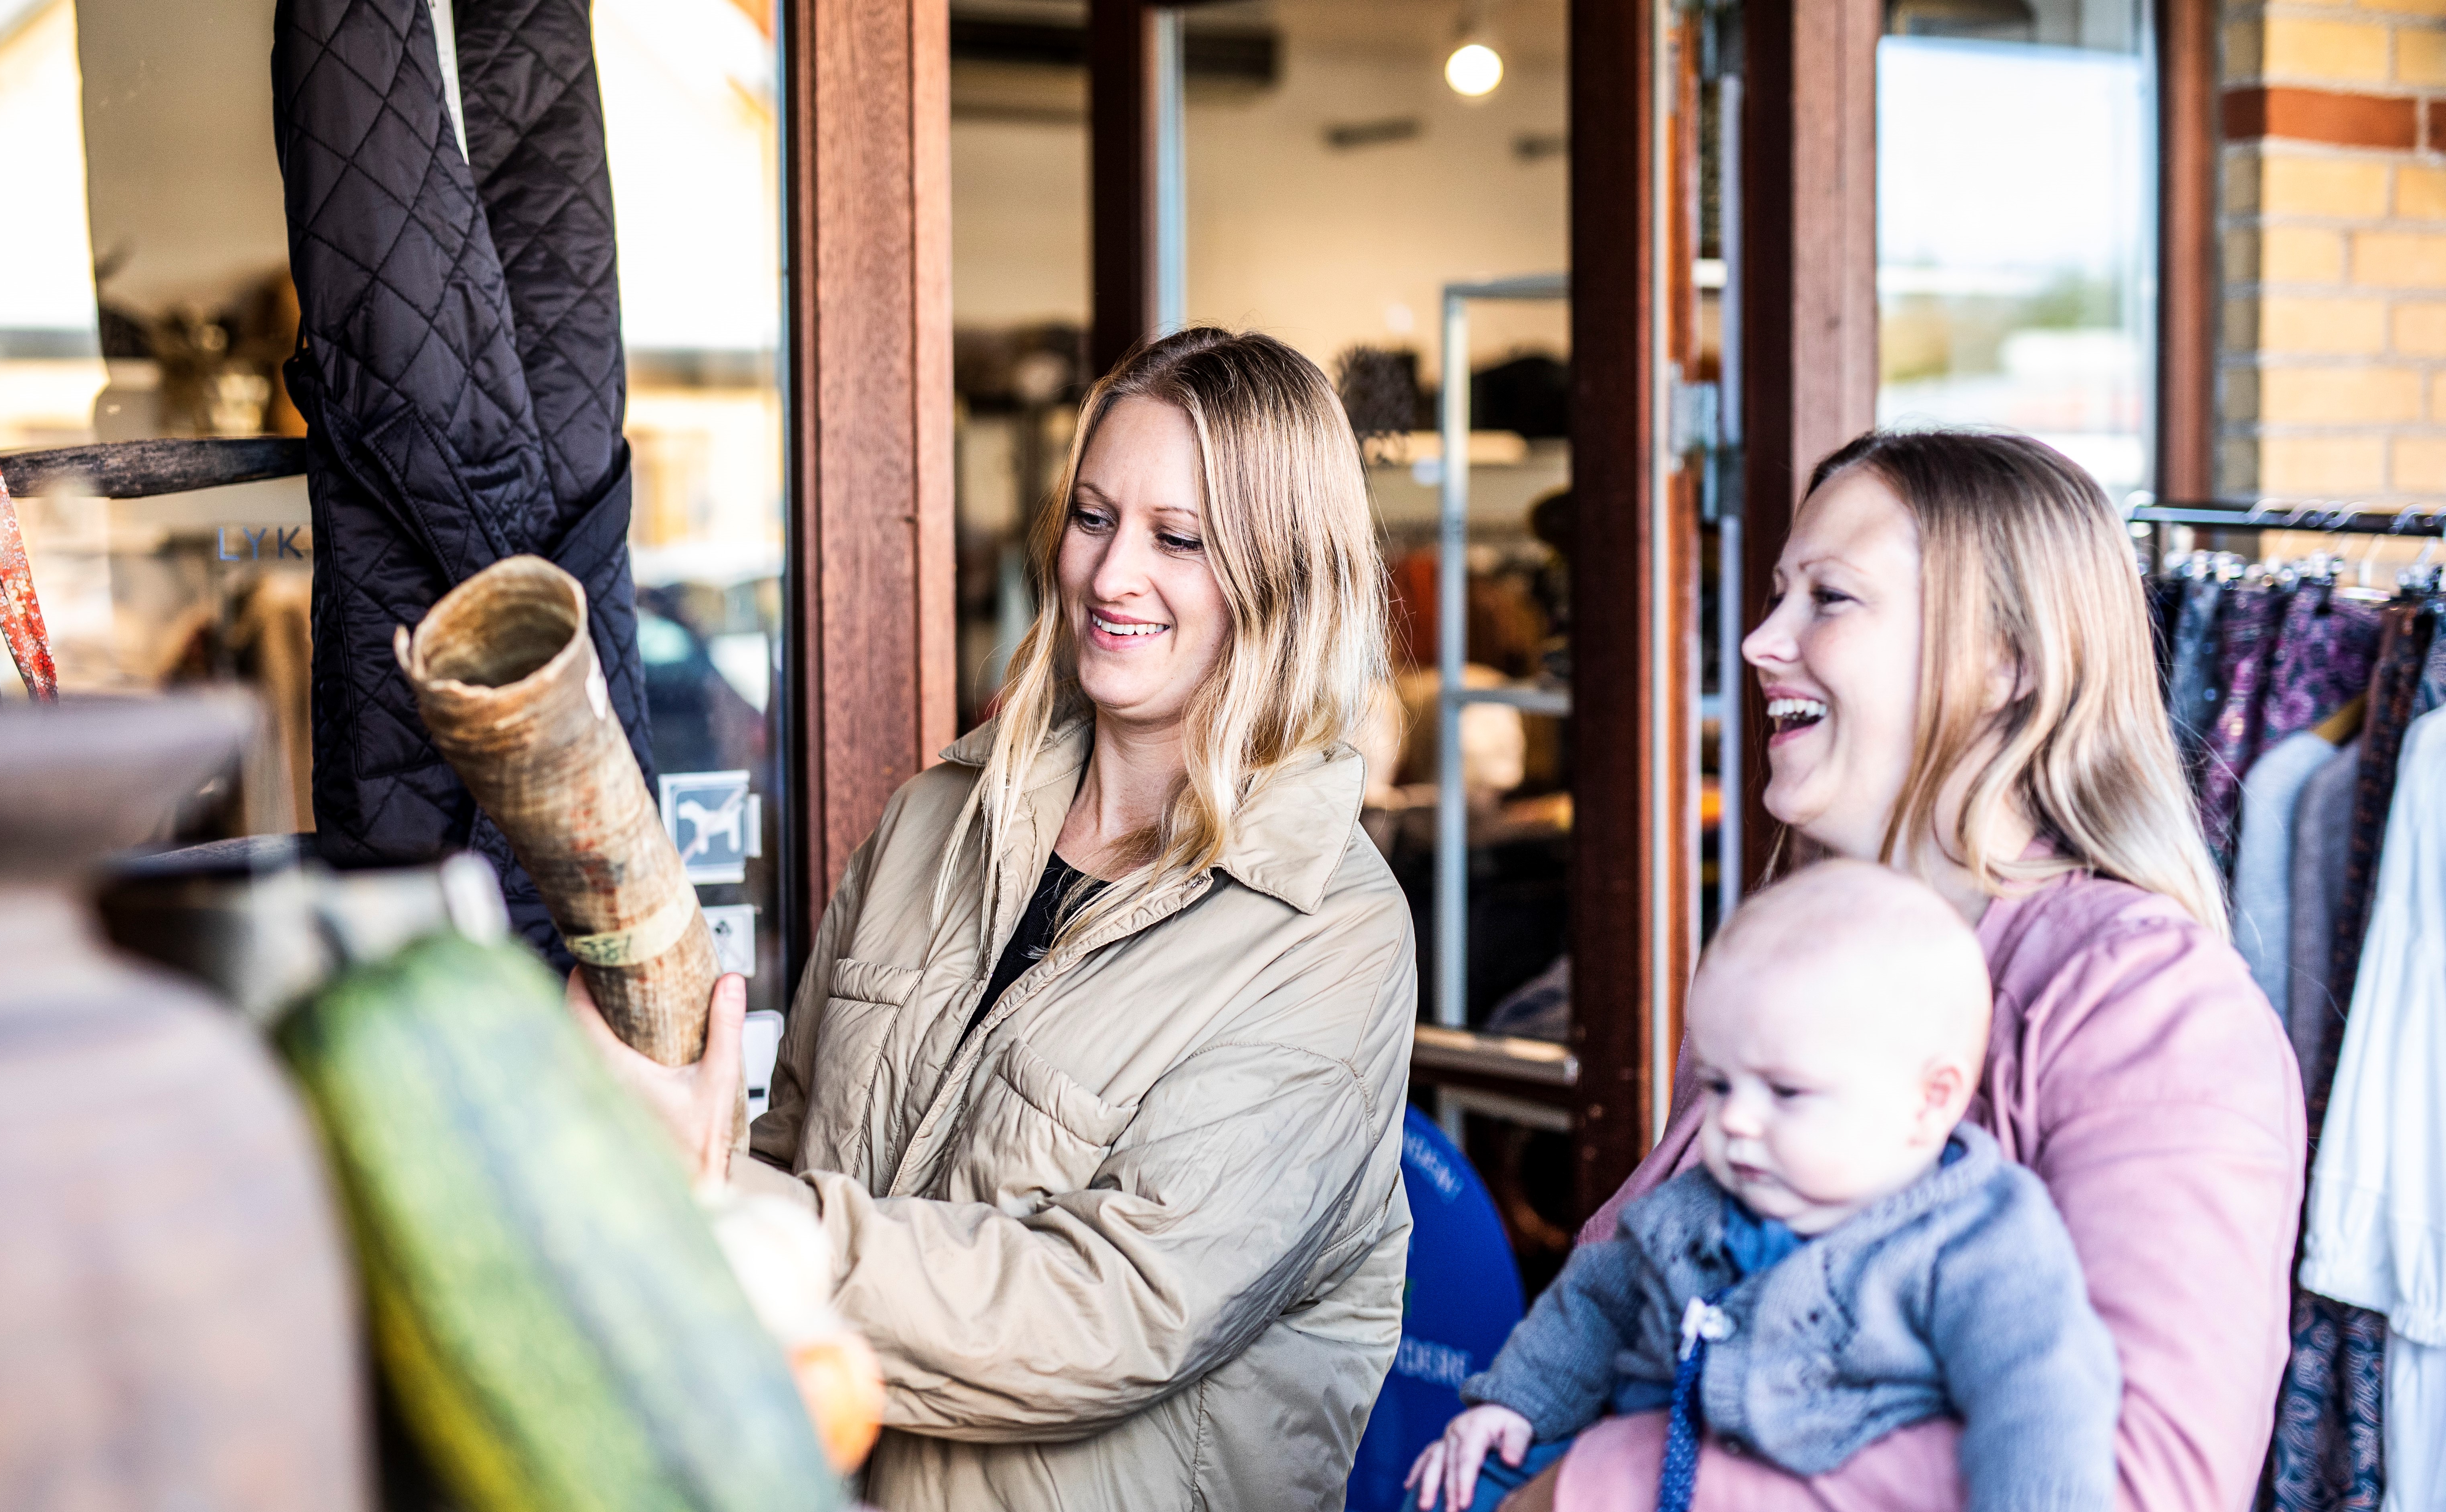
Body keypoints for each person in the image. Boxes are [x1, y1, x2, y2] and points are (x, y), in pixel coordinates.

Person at [574, 326, 1419, 1512]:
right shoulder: (934, 816)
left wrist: (718, 1200)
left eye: (1178, 539)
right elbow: (798, 1142)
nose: (1112, 575)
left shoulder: (1330, 934)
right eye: (1093, 518)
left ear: (1284, 576)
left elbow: (1110, 1311)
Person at [1505, 430, 2304, 1512]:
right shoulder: (1805, 962)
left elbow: (2136, 1481)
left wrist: (1604, 1483)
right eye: (1778, 595)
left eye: (1829, 598)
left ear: (2008, 659)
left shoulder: (2149, 1007)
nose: (1760, 641)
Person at [1409, 861, 2119, 1512]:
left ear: (1931, 1101)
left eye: (1786, 1091)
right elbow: (1595, 1302)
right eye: (1720, 1084)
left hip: (1807, 1483)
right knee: (1455, 1486)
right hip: (1651, 1454)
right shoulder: (1695, 1208)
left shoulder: (1978, 1239)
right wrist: (1516, 1404)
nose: (1736, 1120)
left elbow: (2040, 1403)